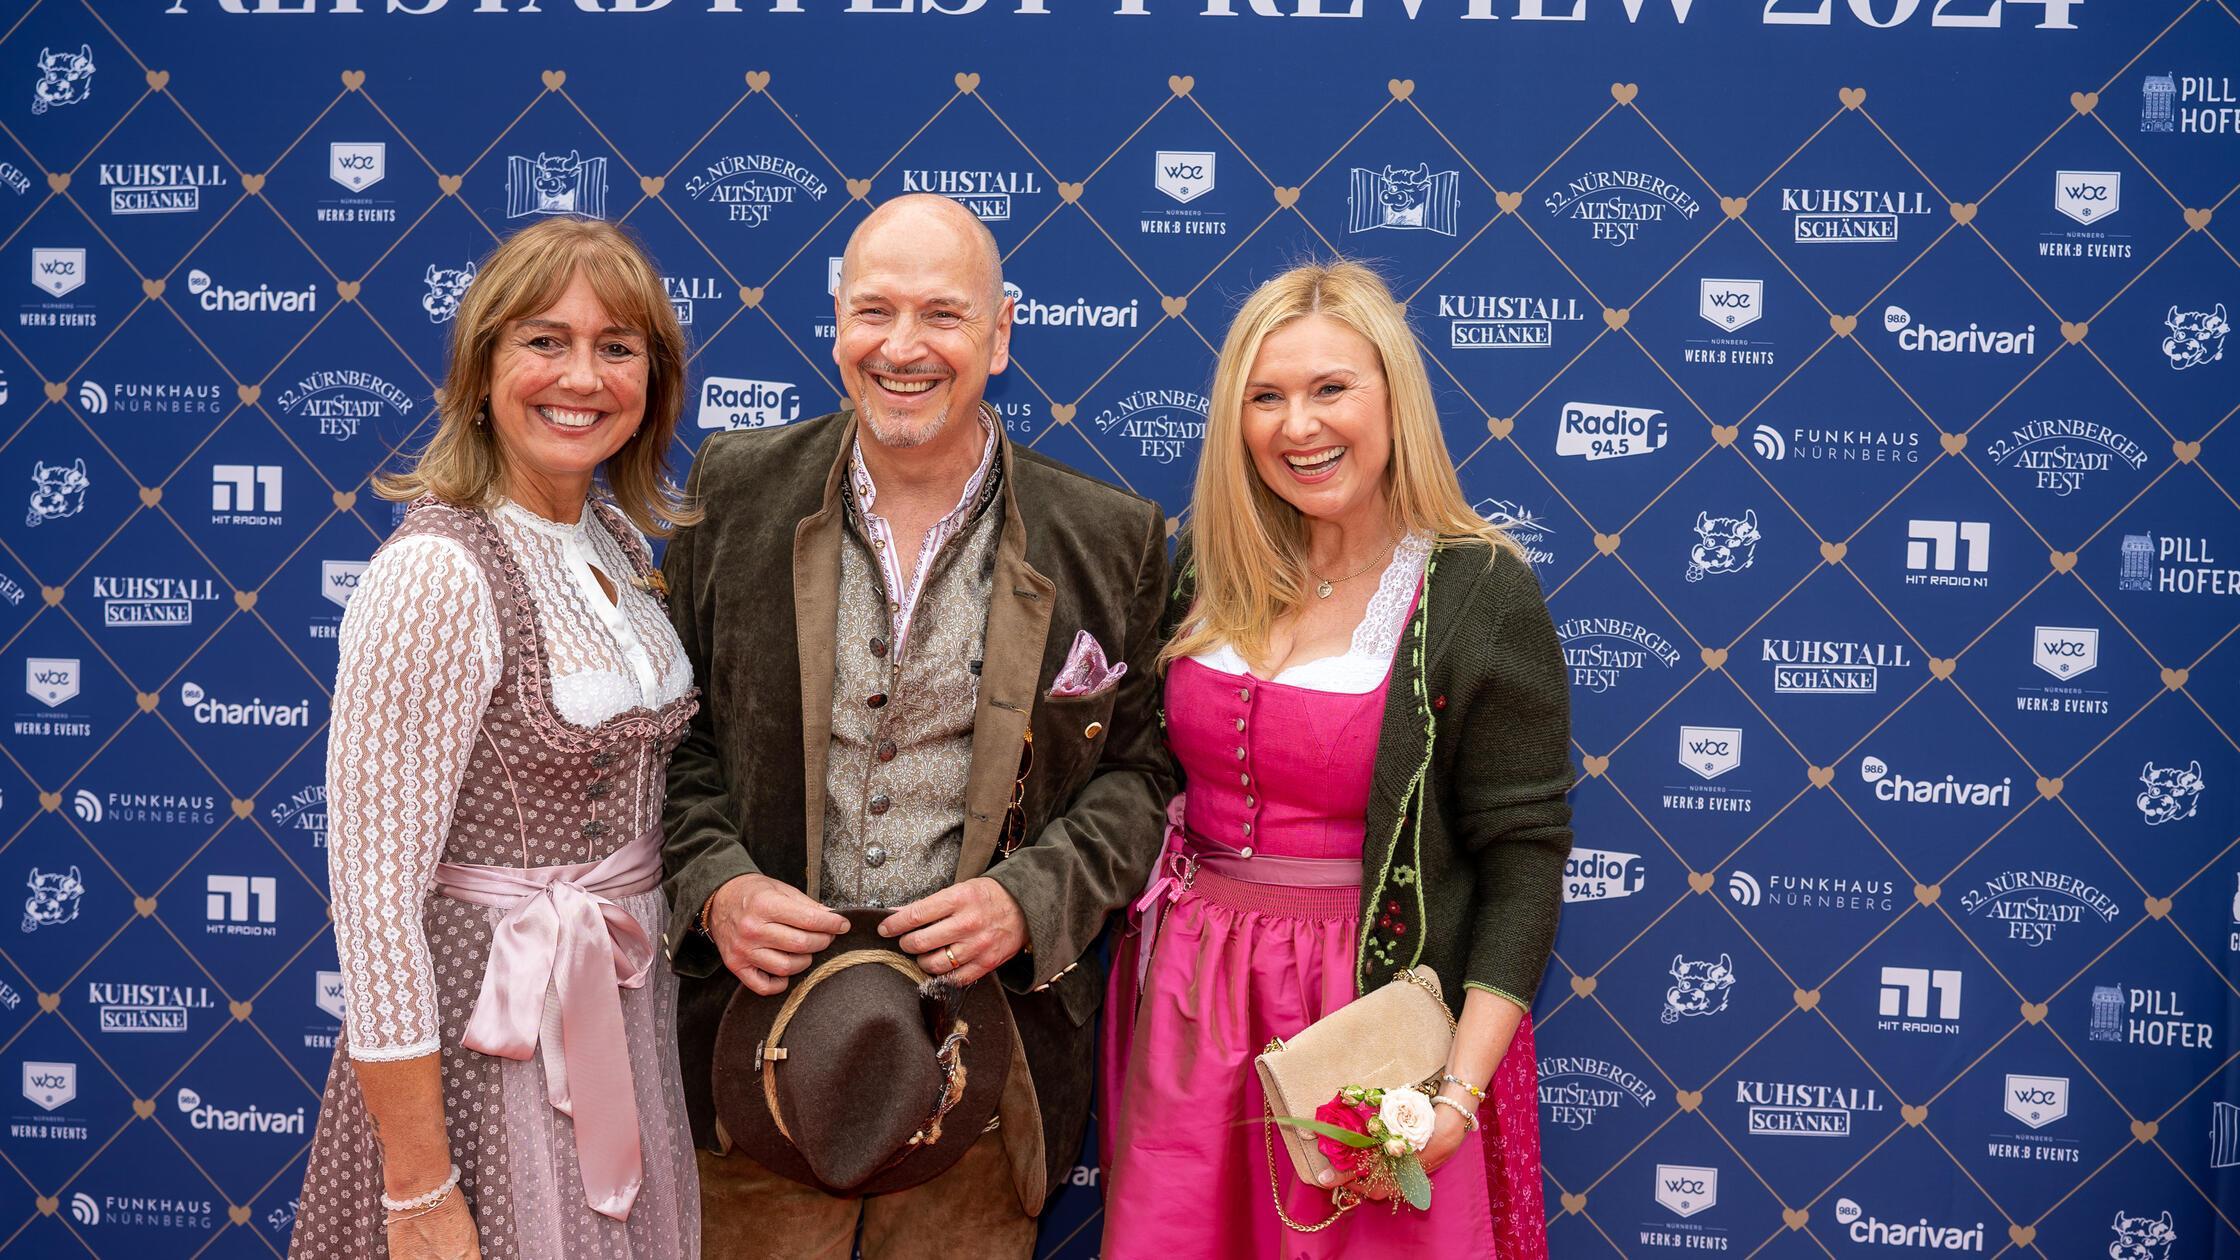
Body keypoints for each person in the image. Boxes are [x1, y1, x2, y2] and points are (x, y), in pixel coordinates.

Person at [660, 193, 1174, 1260]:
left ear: (1000, 332)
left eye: (942, 314)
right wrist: (715, 883)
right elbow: (671, 739)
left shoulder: (1108, 536)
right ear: (836, 323)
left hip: (982, 1086)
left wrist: (1030, 898)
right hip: (752, 1070)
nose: (902, 348)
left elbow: (1139, 776)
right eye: (874, 311)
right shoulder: (732, 492)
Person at [1100, 260, 1572, 1258]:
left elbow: (1523, 860)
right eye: (1265, 397)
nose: (1297, 426)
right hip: (1192, 998)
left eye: (1329, 389)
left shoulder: (1479, 592)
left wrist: (1456, 1089)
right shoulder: (1206, 567)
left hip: (1368, 1013)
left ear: (1393, 396)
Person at [291, 217, 703, 1260]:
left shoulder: (612, 538)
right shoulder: (437, 572)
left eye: (617, 347)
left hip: (618, 1015)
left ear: (653, 382)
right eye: (544, 341)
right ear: (480, 370)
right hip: (491, 1043)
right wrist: (419, 1189)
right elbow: (375, 905)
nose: (583, 376)